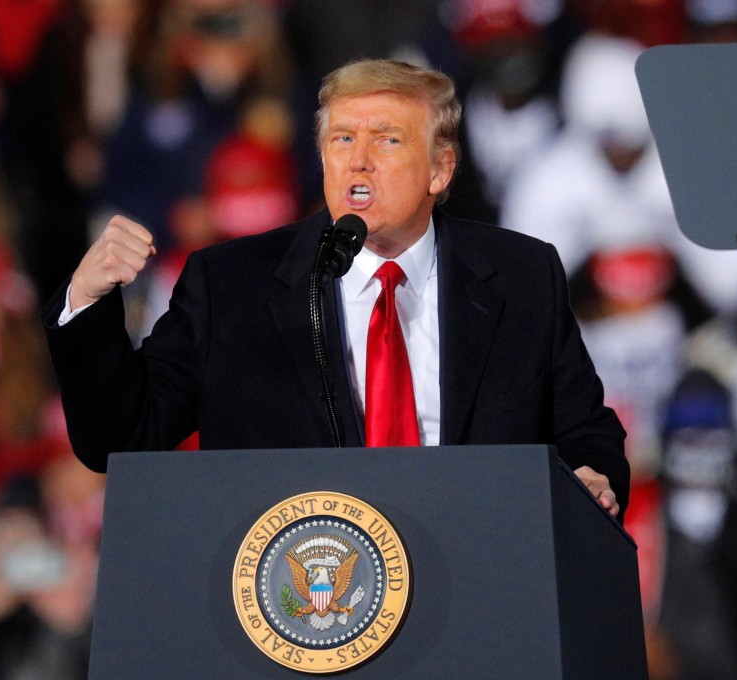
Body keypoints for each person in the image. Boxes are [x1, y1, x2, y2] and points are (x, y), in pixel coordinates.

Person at [40, 58, 628, 519]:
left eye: (388, 140)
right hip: (301, 607)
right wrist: (86, 303)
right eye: (342, 140)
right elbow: (125, 435)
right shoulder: (232, 285)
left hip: (476, 576)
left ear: (440, 170)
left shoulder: (522, 275)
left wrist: (593, 475)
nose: (359, 162)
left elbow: (583, 430)